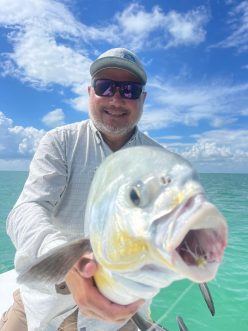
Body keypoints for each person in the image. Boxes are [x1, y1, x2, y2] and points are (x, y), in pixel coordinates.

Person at [0, 48, 163, 331]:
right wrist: (67, 261)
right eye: (105, 87)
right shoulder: (60, 142)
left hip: (116, 315)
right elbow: (26, 210)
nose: (116, 98)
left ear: (142, 99)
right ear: (90, 92)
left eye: (129, 89)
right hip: (43, 303)